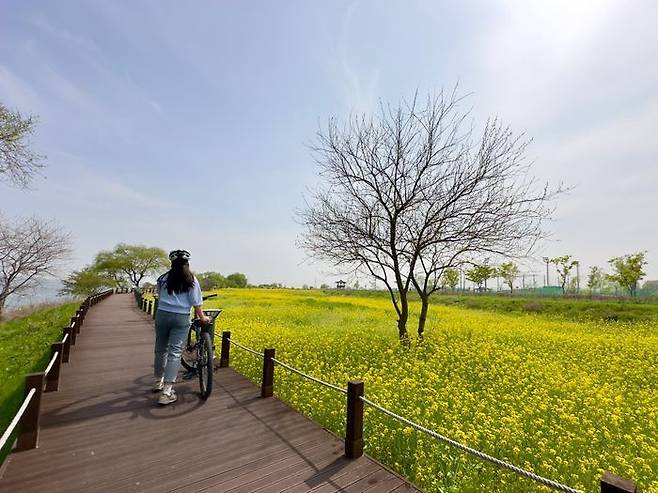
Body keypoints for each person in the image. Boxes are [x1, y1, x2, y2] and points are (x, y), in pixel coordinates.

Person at [153, 249, 209, 405]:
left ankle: (158, 382)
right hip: (180, 317)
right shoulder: (191, 280)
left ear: (171, 263)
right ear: (187, 263)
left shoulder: (162, 279)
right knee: (175, 352)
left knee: (160, 349)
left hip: (162, 314)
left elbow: (160, 295)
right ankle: (167, 392)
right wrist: (202, 318)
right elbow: (196, 303)